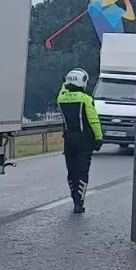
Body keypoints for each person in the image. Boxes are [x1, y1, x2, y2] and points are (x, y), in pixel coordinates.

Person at [57, 68, 102, 213]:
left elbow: (63, 90)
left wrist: (64, 83)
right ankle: (79, 202)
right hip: (84, 140)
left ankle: (73, 197)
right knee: (82, 171)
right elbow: (93, 120)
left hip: (68, 140)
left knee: (72, 171)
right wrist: (99, 137)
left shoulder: (61, 98)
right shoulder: (86, 99)